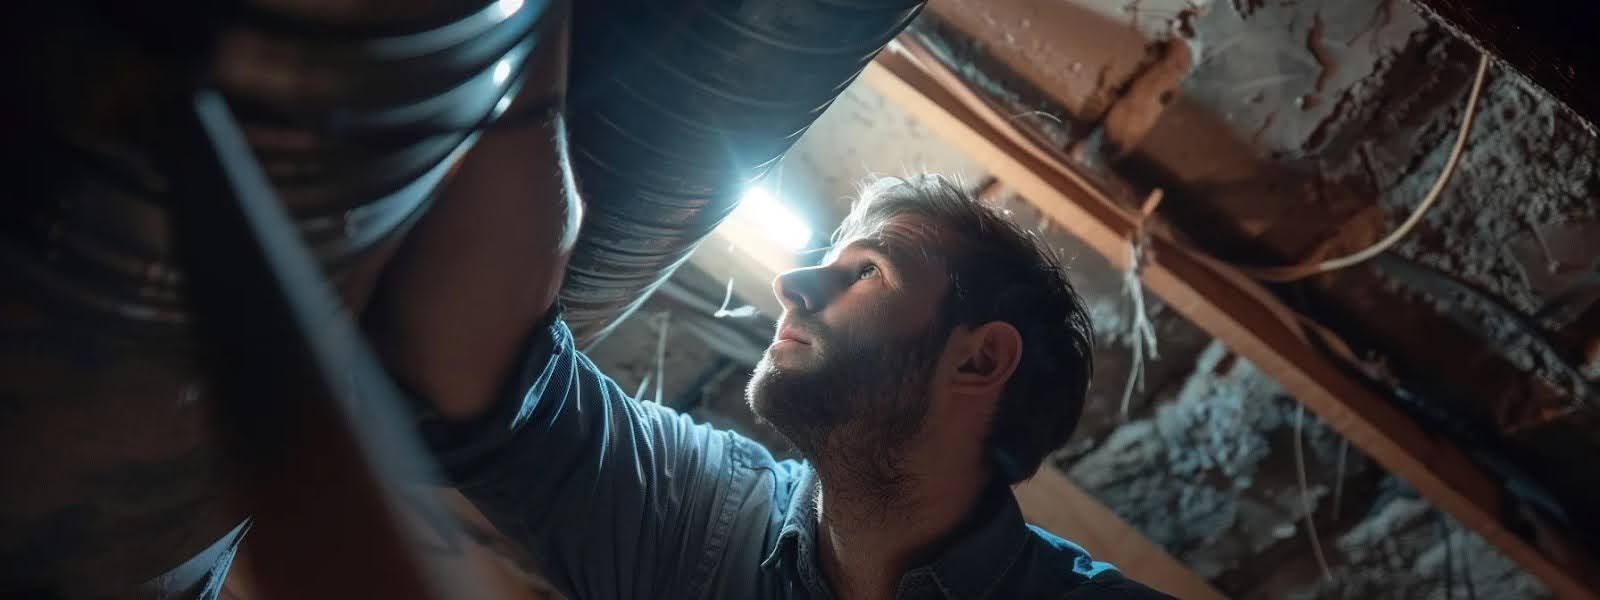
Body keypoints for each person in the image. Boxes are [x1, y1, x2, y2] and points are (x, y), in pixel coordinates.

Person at [368, 29, 1170, 600]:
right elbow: (480, 369)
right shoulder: (700, 514)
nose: (793, 282)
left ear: (979, 361)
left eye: (865, 270)